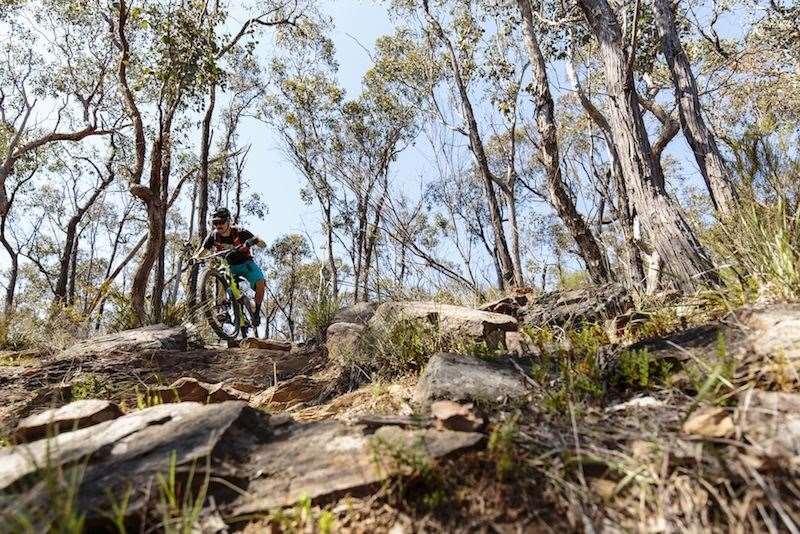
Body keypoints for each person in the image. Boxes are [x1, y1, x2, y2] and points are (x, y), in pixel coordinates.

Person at [199, 207, 267, 327]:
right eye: (215, 223)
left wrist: (255, 241)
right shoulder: (213, 236)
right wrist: (195, 258)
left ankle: (256, 312)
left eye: (221, 222)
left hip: (246, 263)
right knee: (221, 275)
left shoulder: (240, 232)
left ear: (228, 221)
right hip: (229, 266)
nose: (218, 225)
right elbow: (202, 251)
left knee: (260, 282)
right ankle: (222, 308)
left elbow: (261, 244)